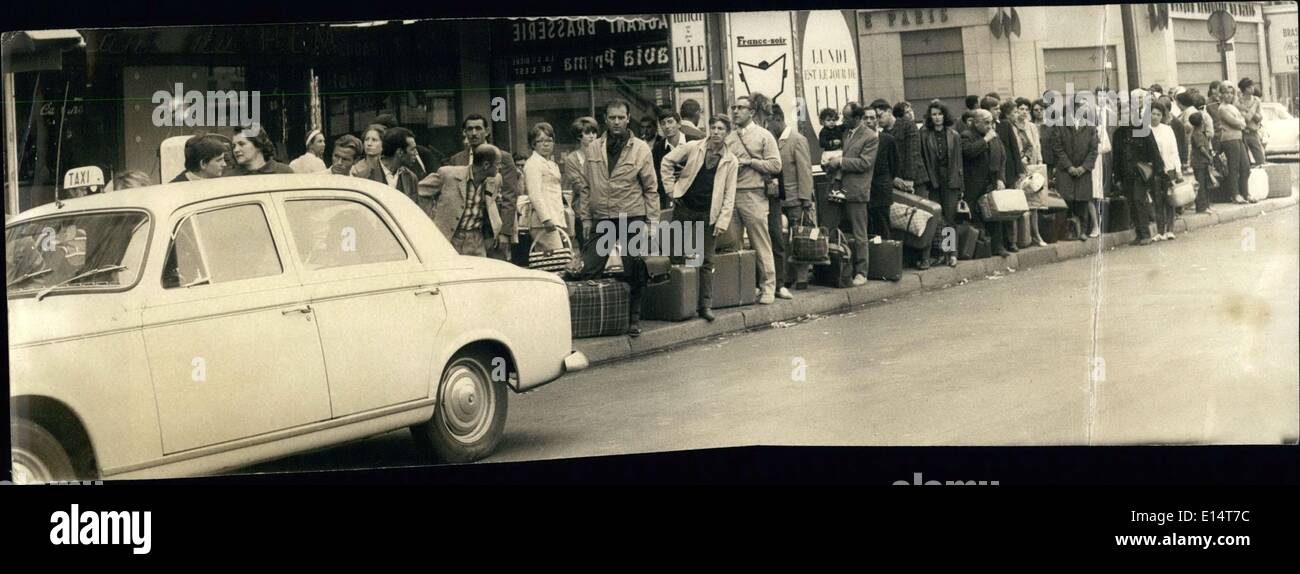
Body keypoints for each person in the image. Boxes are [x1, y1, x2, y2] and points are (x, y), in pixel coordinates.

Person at [576, 98, 660, 336]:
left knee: (633, 264)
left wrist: (652, 224)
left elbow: (651, 189)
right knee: (589, 267)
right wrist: (586, 220)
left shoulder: (641, 148)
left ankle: (634, 317)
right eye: (612, 117)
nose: (616, 122)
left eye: (621, 117)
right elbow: (585, 187)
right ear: (605, 119)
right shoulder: (593, 148)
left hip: (631, 215)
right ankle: (591, 319)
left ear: (627, 118)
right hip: (602, 217)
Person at [659, 114, 738, 321]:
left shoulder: (731, 161)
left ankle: (705, 305)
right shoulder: (695, 147)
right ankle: (677, 303)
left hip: (708, 213)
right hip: (685, 207)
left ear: (727, 133)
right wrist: (671, 190)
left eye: (721, 129)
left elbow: (729, 195)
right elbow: (667, 161)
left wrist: (722, 221)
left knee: (706, 260)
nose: (716, 132)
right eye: (713, 127)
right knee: (677, 255)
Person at [725, 93, 784, 303]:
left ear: (751, 112)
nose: (735, 111)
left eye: (741, 108)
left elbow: (776, 165)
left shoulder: (764, 135)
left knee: (760, 243)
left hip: (754, 194)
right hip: (731, 196)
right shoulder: (728, 138)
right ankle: (743, 289)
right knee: (734, 245)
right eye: (734, 108)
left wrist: (751, 162)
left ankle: (768, 287)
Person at [445, 114, 521, 259]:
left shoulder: (502, 157)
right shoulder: (457, 159)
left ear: (487, 131)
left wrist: (504, 232)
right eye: (470, 129)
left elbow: (509, 197)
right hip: (463, 232)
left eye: (478, 128)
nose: (474, 133)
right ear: (464, 133)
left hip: (492, 229)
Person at [821, 101, 877, 285]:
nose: (843, 120)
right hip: (838, 186)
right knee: (828, 227)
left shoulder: (870, 137)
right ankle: (826, 268)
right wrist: (830, 164)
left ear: (858, 118)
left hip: (855, 190)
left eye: (847, 117)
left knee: (859, 232)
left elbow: (864, 163)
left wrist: (840, 162)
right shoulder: (843, 133)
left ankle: (862, 271)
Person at [424, 145, 506, 258]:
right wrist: (431, 217)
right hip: (451, 236)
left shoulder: (496, 180)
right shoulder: (448, 175)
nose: (500, 167)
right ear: (486, 165)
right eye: (497, 164)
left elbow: (493, 203)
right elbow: (420, 192)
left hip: (477, 239)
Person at [770, 103, 816, 291]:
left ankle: (802, 276)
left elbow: (805, 171)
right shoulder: (773, 140)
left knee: (799, 238)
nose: (767, 126)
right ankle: (787, 276)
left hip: (796, 198)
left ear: (778, 119)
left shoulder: (797, 140)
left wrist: (806, 199)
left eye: (769, 122)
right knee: (782, 240)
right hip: (779, 198)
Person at [1111, 90, 1167, 245]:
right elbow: (1116, 157)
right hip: (1126, 173)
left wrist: (1157, 171)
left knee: (1139, 200)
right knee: (1131, 202)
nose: (1125, 116)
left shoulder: (1142, 129)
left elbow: (1154, 151)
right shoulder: (1118, 134)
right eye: (1122, 113)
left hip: (1141, 173)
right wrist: (1117, 177)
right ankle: (1139, 234)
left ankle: (1146, 234)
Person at [1049, 93, 1100, 242]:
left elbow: (1093, 150)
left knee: (1083, 200)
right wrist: (1069, 166)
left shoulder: (1090, 126)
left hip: (1083, 170)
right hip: (1066, 170)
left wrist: (1084, 167)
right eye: (1082, 105)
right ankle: (1066, 231)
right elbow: (1057, 148)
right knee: (1066, 200)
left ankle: (1083, 230)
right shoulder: (1060, 124)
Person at [962, 109, 1013, 256]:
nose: (990, 126)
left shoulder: (994, 136)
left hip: (991, 181)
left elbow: (1002, 157)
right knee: (976, 217)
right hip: (973, 183)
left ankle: (998, 247)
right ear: (976, 122)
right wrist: (985, 140)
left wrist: (1000, 178)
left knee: (995, 215)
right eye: (986, 122)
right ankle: (979, 249)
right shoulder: (967, 135)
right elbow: (969, 151)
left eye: (991, 122)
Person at [918, 100, 964, 263]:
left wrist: (960, 185)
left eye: (940, 114)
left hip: (950, 180)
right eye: (934, 115)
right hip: (933, 180)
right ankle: (939, 254)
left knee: (951, 218)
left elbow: (959, 162)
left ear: (945, 115)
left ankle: (951, 253)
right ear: (930, 117)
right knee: (936, 218)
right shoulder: (924, 134)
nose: (937, 118)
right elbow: (922, 158)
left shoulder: (954, 135)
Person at [522, 122, 570, 253]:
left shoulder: (551, 164)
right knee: (557, 259)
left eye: (549, 140)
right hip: (543, 221)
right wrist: (546, 219)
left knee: (556, 259)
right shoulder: (533, 164)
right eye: (541, 141)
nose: (546, 144)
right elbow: (535, 194)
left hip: (555, 218)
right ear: (533, 144)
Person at [1011, 97, 1047, 245]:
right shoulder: (1012, 127)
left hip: (1032, 167)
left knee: (1035, 203)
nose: (1024, 112)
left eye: (1026, 109)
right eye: (1021, 109)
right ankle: (1022, 238)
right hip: (1019, 168)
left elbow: (1036, 145)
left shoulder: (1031, 126)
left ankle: (1036, 234)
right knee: (1020, 202)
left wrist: (1039, 161)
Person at [564, 116, 600, 244]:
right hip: (582, 211)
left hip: (601, 210)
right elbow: (578, 186)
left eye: (594, 132)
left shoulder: (601, 154)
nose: (592, 136)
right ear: (579, 135)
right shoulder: (572, 159)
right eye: (587, 133)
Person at [866, 105, 899, 243]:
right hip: (864, 190)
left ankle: (886, 259)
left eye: (872, 118)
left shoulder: (887, 140)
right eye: (865, 118)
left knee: (883, 227)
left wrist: (885, 182)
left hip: (881, 190)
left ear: (877, 120)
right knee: (868, 229)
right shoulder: (856, 140)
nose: (868, 121)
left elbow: (894, 165)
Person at [1216, 84, 1254, 204]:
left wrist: (1241, 122)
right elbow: (1236, 123)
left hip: (1238, 138)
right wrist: (1241, 123)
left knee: (1246, 167)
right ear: (1221, 94)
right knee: (1234, 167)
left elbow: (1242, 121)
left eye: (1231, 93)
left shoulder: (1232, 107)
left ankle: (1245, 193)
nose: (1229, 95)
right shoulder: (1222, 108)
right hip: (1229, 139)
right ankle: (1235, 194)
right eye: (1226, 92)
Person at [1150, 102, 1182, 240]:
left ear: (1162, 116)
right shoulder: (1145, 130)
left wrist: (1178, 169)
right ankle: (1160, 231)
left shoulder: (1167, 129)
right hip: (1155, 170)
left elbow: (1174, 150)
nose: (1155, 117)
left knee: (1169, 200)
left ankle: (1170, 230)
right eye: (1153, 113)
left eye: (1158, 114)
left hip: (1169, 169)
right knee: (1157, 200)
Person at [652, 109, 689, 210]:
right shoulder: (658, 149)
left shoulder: (693, 141)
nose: (667, 126)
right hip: (670, 198)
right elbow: (657, 176)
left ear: (679, 124)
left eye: (670, 121)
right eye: (663, 123)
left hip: (694, 195)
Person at [227, 125, 294, 176]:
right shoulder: (230, 177)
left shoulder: (284, 172)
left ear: (259, 144)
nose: (236, 150)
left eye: (242, 144)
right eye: (233, 146)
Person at [1187, 111, 1217, 215]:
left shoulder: (1199, 133)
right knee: (1202, 186)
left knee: (1205, 184)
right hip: (1199, 163)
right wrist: (1209, 157)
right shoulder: (1197, 134)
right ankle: (1201, 206)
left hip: (1202, 163)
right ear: (1201, 122)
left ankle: (1206, 205)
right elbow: (1201, 148)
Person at [1237, 78, 1266, 167]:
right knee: (1245, 161)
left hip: (1254, 132)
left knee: (1260, 158)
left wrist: (1246, 109)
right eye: (1250, 87)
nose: (1253, 88)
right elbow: (1247, 119)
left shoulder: (1256, 100)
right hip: (1243, 133)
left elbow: (1259, 118)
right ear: (1245, 89)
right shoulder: (1239, 101)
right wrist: (1253, 106)